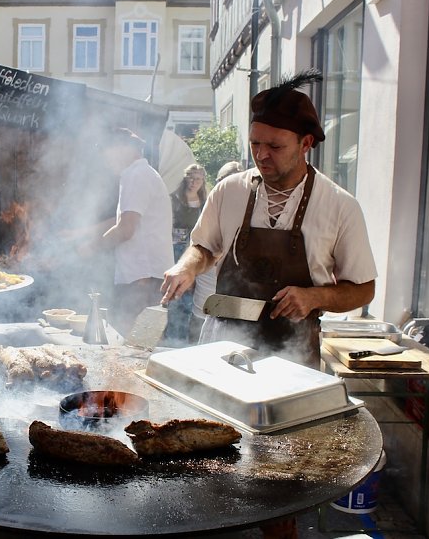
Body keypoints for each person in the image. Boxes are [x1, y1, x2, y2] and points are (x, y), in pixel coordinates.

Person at [161, 70, 377, 368]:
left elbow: (363, 289)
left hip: (294, 352)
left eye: (275, 147)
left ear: (305, 144)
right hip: (225, 345)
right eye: (254, 144)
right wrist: (186, 268)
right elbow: (205, 247)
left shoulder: (340, 206)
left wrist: (314, 297)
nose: (261, 155)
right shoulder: (229, 190)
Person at [81, 127, 173, 336]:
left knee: (133, 348)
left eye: (107, 151)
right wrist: (82, 233)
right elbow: (124, 220)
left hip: (141, 280)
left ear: (122, 149)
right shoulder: (144, 173)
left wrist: (91, 248)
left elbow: (126, 229)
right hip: (146, 279)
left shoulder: (135, 175)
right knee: (141, 346)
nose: (106, 159)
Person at [188, 160, 243, 342]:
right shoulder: (211, 210)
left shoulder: (248, 214)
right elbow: (197, 249)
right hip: (202, 307)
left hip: (231, 315)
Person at [164, 163, 207, 344]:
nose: (193, 182)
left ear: (203, 181)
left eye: (197, 179)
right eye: (190, 177)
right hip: (176, 252)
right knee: (176, 296)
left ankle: (187, 340)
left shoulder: (206, 202)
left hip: (196, 254)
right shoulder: (174, 199)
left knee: (192, 299)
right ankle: (174, 339)